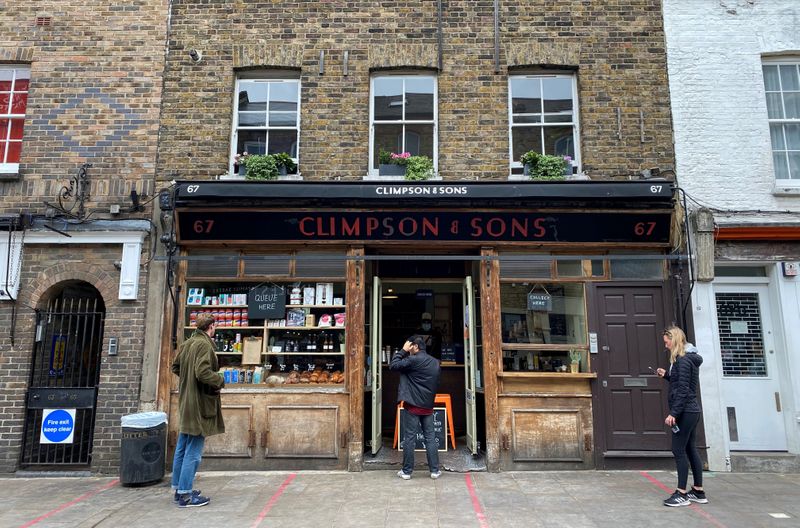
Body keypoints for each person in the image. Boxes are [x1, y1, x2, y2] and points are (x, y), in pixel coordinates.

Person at [171, 313, 225, 508]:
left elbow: (175, 367)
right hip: (199, 403)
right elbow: (202, 372)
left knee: (182, 447)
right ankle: (186, 495)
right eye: (215, 326)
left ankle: (179, 489)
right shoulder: (203, 344)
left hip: (187, 400)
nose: (215, 329)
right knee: (194, 450)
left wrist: (188, 380)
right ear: (210, 327)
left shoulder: (188, 343)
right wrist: (219, 380)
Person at [656, 326, 706, 507]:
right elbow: (682, 383)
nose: (666, 345)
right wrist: (668, 376)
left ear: (674, 339)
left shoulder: (683, 360)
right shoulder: (687, 359)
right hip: (692, 411)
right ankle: (698, 491)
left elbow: (683, 390)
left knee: (678, 450)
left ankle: (681, 493)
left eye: (667, 341)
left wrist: (673, 414)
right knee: (691, 449)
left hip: (685, 411)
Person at [390, 335, 442, 480]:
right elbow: (437, 383)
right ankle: (434, 471)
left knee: (409, 438)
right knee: (430, 437)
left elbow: (393, 365)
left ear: (415, 347)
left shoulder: (412, 360)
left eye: (410, 346)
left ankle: (407, 472)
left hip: (412, 405)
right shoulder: (435, 362)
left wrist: (402, 350)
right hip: (428, 406)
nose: (409, 348)